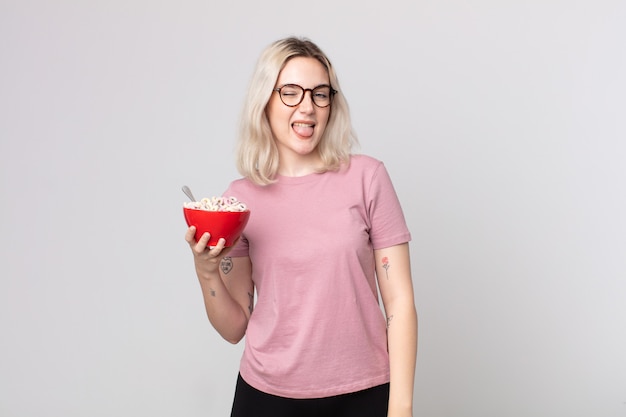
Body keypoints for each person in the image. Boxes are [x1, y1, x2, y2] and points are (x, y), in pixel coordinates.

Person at [185, 36, 417, 417]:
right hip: (265, 398)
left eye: (319, 94)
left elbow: (400, 303)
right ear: (266, 100)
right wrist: (206, 269)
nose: (307, 107)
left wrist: (402, 408)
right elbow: (233, 328)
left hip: (364, 394)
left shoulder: (368, 178)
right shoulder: (239, 201)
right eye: (290, 92)